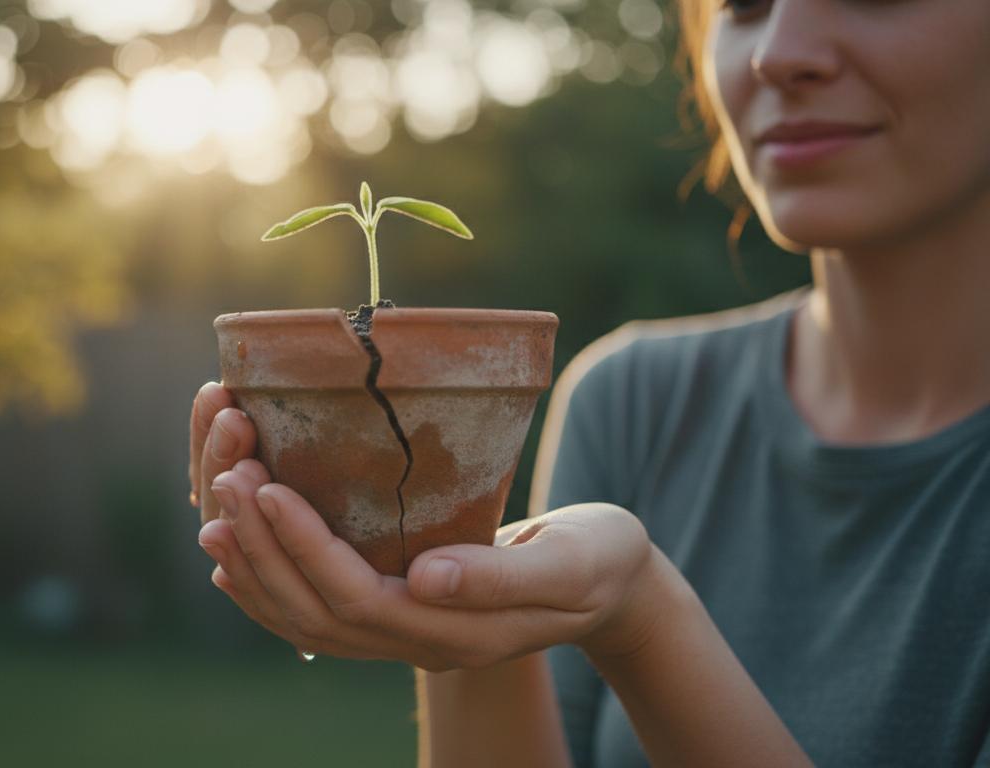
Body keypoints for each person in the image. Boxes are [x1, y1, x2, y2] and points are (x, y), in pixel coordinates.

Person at [189, 0, 990, 762]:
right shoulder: (637, 403)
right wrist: (457, 608)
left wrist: (643, 621)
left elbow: (631, 611)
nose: (779, 52)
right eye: (744, 4)